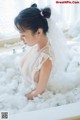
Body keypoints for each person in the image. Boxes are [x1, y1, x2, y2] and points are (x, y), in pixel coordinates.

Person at [14, 3, 80, 100]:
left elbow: (39, 91)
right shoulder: (35, 46)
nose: (20, 38)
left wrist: (19, 98)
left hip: (36, 97)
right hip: (24, 87)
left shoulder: (46, 60)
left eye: (23, 34)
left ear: (39, 32)